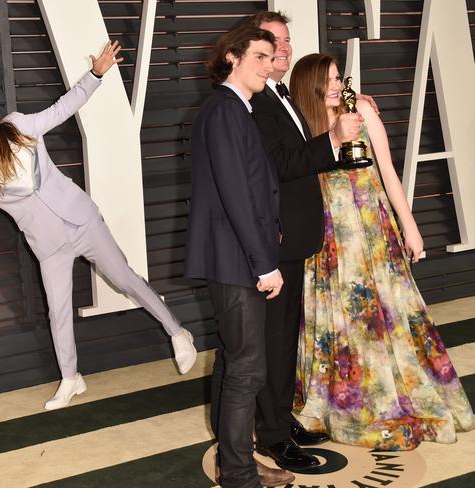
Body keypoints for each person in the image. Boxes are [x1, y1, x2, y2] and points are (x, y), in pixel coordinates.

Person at [0, 40, 197, 411]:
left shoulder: (18, 126)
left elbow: (62, 108)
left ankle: (178, 332)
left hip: (82, 219)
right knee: (58, 312)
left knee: (126, 279)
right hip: (49, 244)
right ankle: (71, 379)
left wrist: (95, 75)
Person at [289, 53, 475, 450]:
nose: (338, 85)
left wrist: (411, 228)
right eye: (329, 79)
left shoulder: (363, 114)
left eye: (339, 76)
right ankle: (342, 399)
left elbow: (388, 173)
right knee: (335, 322)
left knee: (390, 314)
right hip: (327, 242)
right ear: (310, 85)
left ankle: (394, 393)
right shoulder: (302, 127)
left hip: (373, 233)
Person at [246, 11, 366, 470]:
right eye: (273, 40)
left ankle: (279, 417)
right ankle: (272, 435)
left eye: (287, 40)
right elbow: (278, 164)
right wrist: (333, 138)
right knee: (272, 341)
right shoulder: (256, 103)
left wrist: (340, 152)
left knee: (285, 337)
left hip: (295, 239)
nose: (285, 47)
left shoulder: (284, 97)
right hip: (274, 242)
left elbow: (301, 161)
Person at [185, 24, 289, 488]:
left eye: (272, 57)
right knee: (247, 371)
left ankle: (238, 465)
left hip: (234, 257)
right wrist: (264, 262)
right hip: (236, 261)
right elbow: (236, 195)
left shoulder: (234, 111)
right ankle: (241, 478)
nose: (269, 65)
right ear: (233, 57)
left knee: (235, 364)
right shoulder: (226, 112)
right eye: (261, 56)